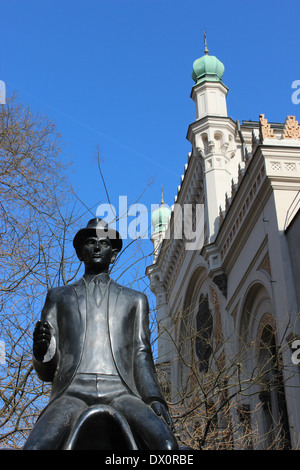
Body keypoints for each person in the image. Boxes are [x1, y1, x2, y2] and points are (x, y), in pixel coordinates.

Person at [23, 218, 178, 450]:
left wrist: (154, 399)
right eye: (90, 242)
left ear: (113, 253)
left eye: (103, 243)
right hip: (72, 393)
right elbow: (47, 372)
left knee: (166, 447)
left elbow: (141, 354)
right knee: (35, 448)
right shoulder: (57, 297)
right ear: (79, 252)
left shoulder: (135, 300)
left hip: (122, 392)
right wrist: (42, 351)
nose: (96, 247)